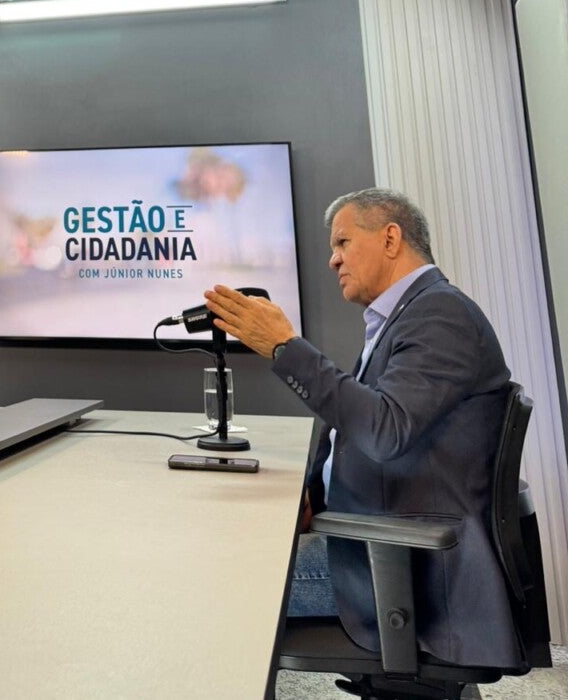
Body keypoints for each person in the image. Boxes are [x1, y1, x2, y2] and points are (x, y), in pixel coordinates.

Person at [203, 188, 520, 668]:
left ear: (391, 238)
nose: (333, 260)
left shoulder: (440, 315)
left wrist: (285, 347)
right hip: (380, 539)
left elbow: (384, 429)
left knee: (220, 579)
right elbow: (358, 427)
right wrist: (314, 493)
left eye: (342, 242)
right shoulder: (409, 315)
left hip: (403, 567)